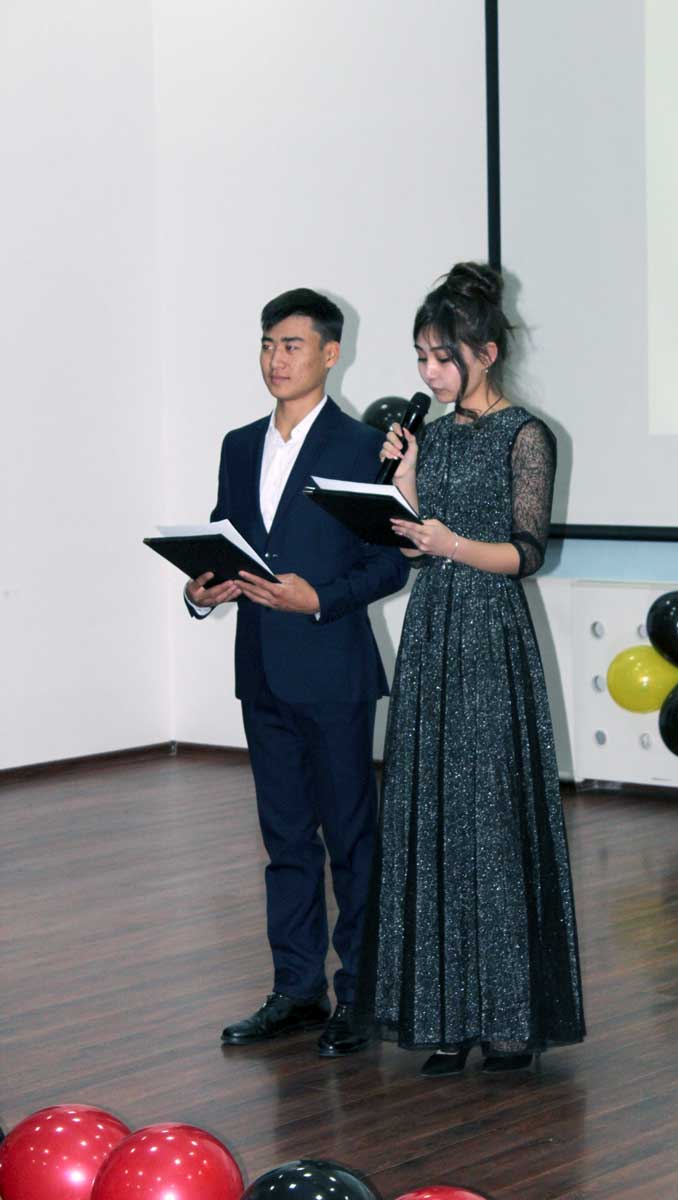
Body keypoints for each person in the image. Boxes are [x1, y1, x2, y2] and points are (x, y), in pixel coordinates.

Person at [357, 263, 585, 1075]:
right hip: (433, 629)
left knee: (491, 817)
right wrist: (404, 484)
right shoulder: (436, 434)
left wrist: (449, 542)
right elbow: (416, 548)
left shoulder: (527, 435)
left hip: (490, 632)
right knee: (433, 812)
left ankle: (510, 1020)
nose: (429, 373)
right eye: (421, 357)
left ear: (485, 353)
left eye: (443, 357)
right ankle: (445, 1016)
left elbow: (526, 553)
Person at [185, 288, 409, 1057]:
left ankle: (363, 996)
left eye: (291, 345)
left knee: (351, 837)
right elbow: (224, 541)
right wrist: (202, 589)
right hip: (261, 670)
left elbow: (389, 564)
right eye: (267, 344)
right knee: (283, 838)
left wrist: (321, 599)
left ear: (330, 353)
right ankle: (297, 990)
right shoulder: (238, 444)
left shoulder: (362, 446)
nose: (275, 359)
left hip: (334, 668)